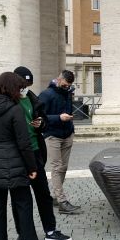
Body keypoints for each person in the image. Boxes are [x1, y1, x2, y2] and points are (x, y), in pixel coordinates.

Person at [0, 72, 53, 240]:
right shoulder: (14, 110)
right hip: (14, 163)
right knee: (23, 204)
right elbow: (23, 142)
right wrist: (32, 167)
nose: (22, 91)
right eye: (20, 88)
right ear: (13, 88)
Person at [13, 67, 72, 240]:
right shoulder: (9, 101)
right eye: (23, 84)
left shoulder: (31, 98)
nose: (25, 88)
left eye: (28, 84)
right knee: (21, 198)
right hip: (17, 155)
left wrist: (41, 123)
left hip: (35, 151)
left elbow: (43, 119)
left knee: (44, 194)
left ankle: (50, 230)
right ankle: (23, 234)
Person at [39, 70, 81, 214]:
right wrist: (58, 118)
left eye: (69, 86)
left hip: (67, 134)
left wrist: (70, 121)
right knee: (57, 167)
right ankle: (62, 201)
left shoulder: (68, 93)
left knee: (63, 167)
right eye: (64, 85)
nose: (66, 87)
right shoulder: (46, 94)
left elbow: (67, 111)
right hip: (52, 135)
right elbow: (38, 117)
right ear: (58, 79)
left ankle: (57, 197)